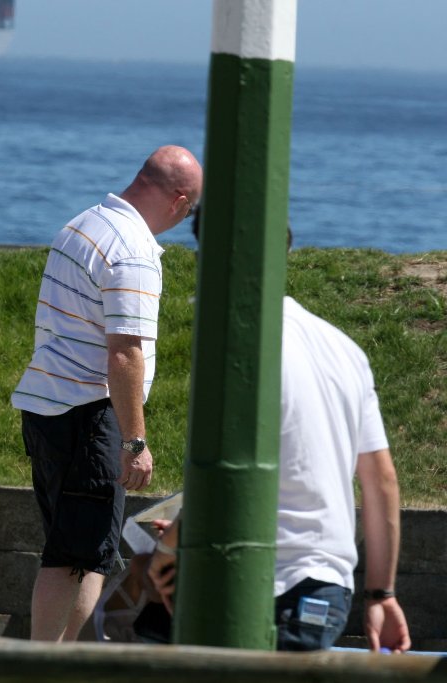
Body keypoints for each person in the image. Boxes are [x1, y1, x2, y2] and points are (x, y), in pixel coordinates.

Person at [146, 215, 411, 653]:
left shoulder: (237, 345)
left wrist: (169, 549)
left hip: (253, 586)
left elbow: (227, 473)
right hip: (327, 591)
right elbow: (382, 481)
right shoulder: (345, 350)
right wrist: (381, 594)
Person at [11, 145, 203, 641]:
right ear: (180, 202)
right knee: (78, 558)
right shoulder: (133, 250)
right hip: (90, 412)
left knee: (76, 551)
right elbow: (124, 353)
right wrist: (134, 441)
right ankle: (50, 667)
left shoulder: (83, 223)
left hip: (48, 407)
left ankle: (55, 662)